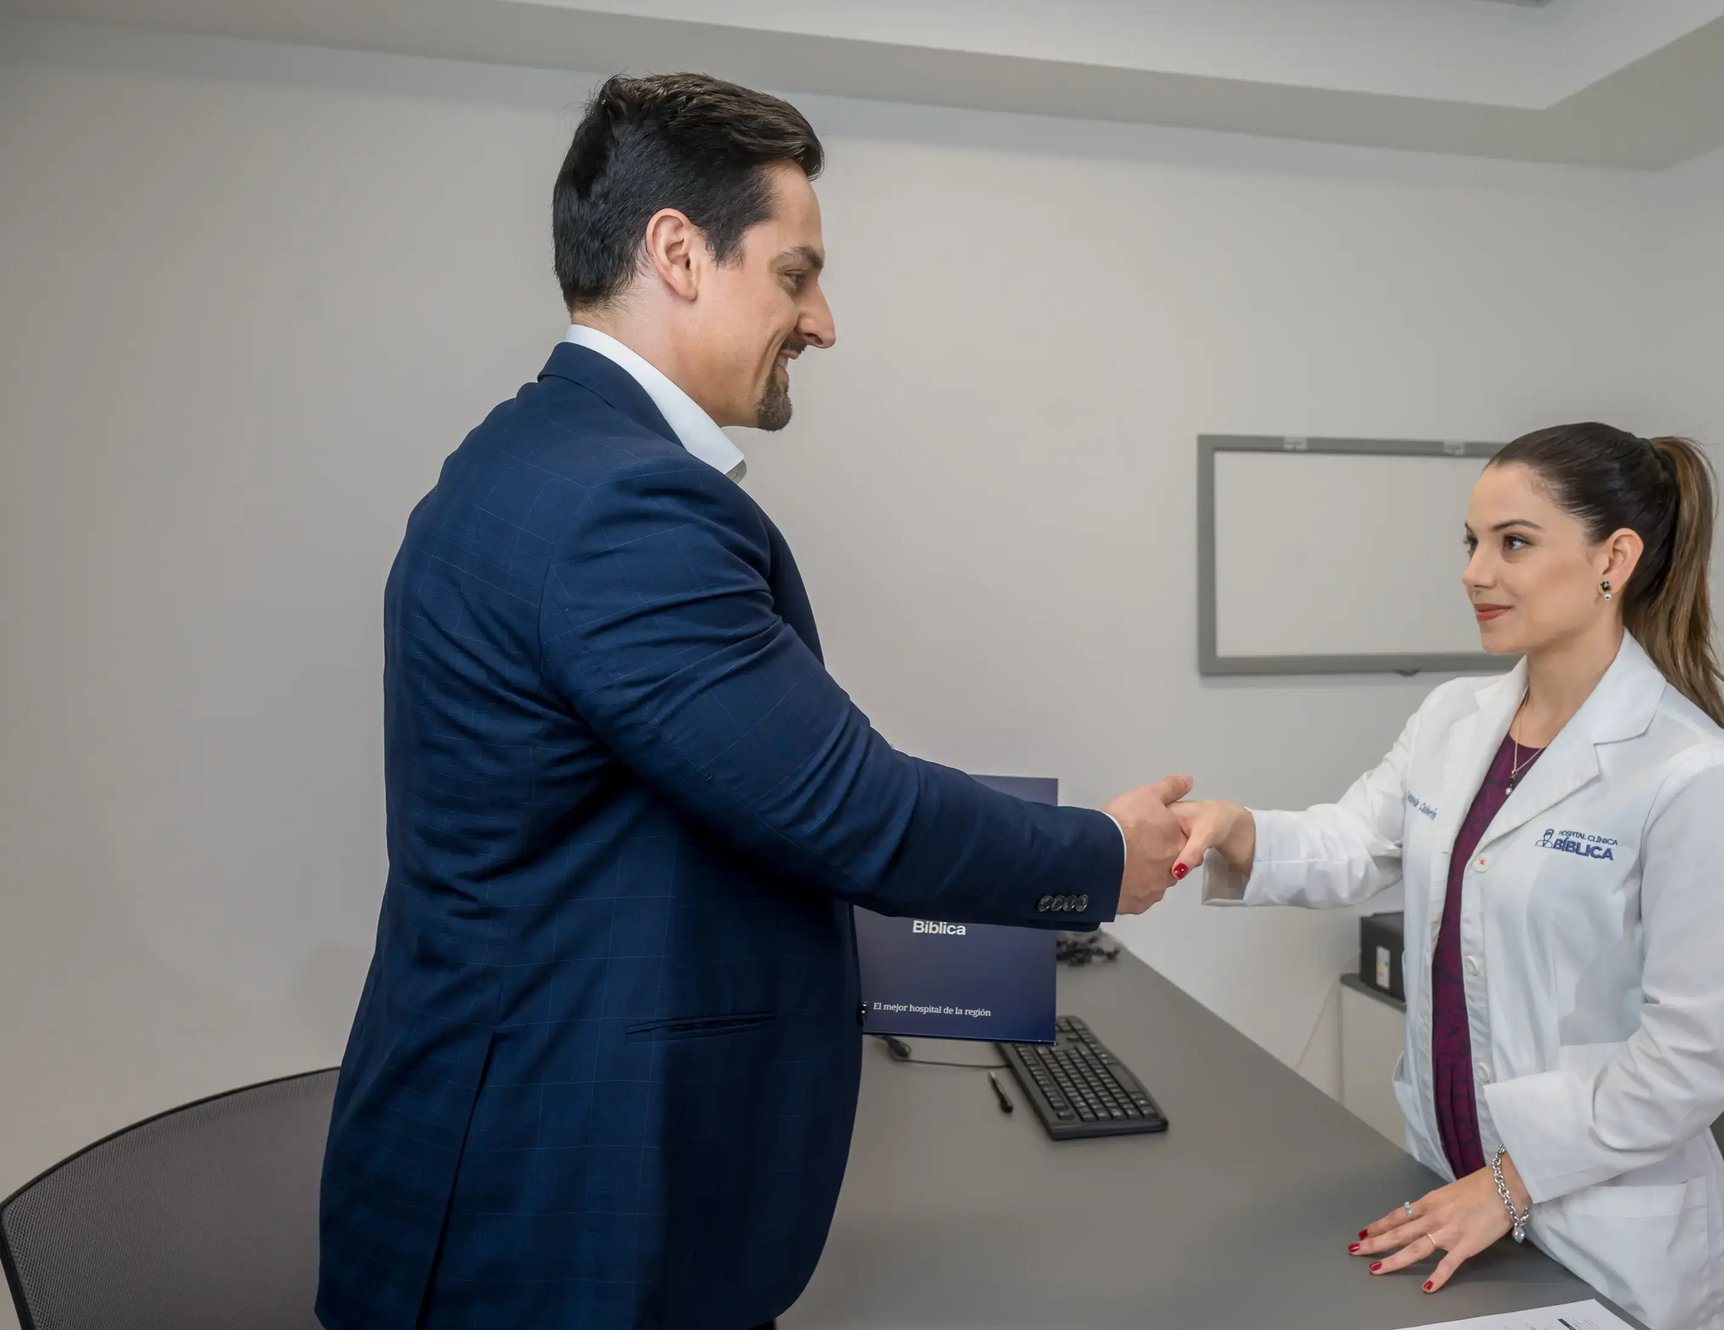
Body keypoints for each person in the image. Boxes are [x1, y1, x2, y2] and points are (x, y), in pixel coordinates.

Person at [315, 73, 1191, 1330]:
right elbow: (853, 809)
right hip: (558, 1200)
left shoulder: (523, 460)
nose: (822, 321)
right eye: (795, 273)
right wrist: (1101, 858)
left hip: (507, 1145)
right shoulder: (623, 507)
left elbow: (707, 807)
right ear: (678, 251)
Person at [1172, 424, 1724, 1330]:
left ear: (1614, 558)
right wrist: (1236, 831)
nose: (1474, 571)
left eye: (1515, 543)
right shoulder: (1455, 718)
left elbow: (1696, 1054)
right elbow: (1360, 841)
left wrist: (1512, 1183)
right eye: (1472, 542)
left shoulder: (1697, 777)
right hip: (1454, 1193)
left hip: (1602, 1237)